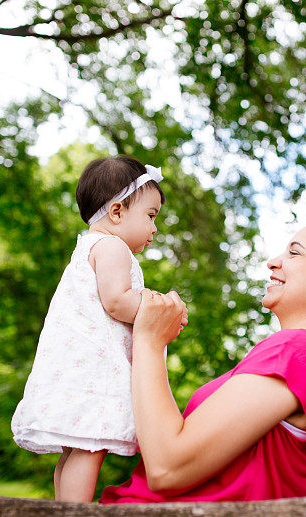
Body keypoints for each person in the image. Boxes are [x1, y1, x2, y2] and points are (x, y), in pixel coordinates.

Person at [100, 215, 306, 504]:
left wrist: (149, 340)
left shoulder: (299, 352)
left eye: (294, 252)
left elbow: (167, 468)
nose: (274, 262)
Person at [11, 154, 187, 503]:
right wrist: (159, 310)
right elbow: (117, 301)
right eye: (150, 216)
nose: (155, 228)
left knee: (74, 450)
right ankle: (76, 511)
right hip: (96, 372)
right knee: (90, 449)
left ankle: (63, 507)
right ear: (117, 211)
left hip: (75, 369)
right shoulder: (112, 247)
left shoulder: (89, 247)